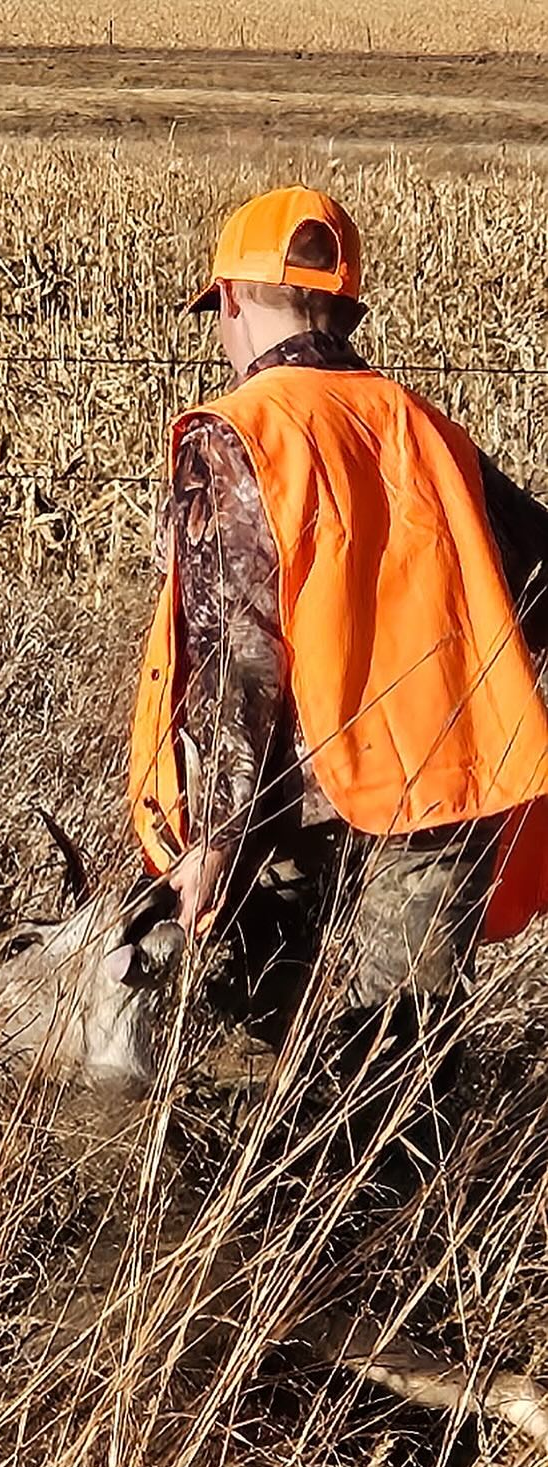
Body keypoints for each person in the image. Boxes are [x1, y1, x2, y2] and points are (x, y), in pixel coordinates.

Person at [129, 186, 548, 1126]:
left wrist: (212, 844)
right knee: (403, 1102)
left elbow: (237, 659)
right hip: (439, 813)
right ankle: (413, 1266)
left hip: (287, 834)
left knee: (257, 1098)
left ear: (231, 300)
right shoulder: (424, 431)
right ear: (344, 308)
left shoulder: (240, 434)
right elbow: (540, 577)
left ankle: (262, 1269)